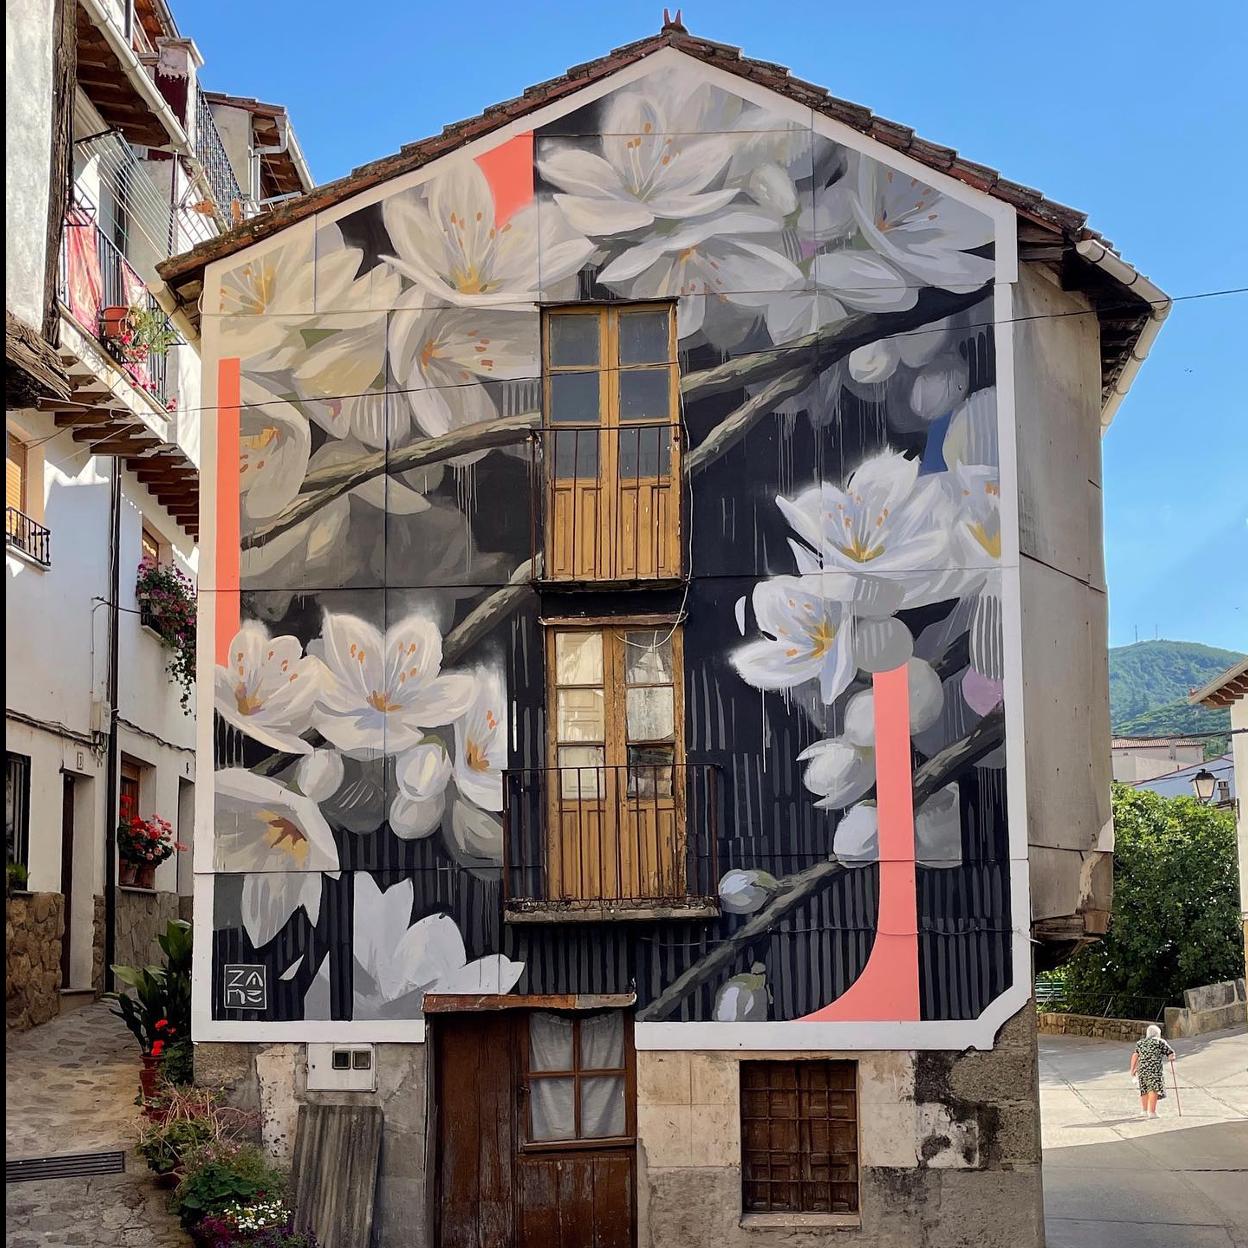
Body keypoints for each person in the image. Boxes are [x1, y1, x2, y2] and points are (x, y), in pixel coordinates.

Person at [1130, 1024, 1175, 1118]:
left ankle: (1144, 1110)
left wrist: (1133, 1069)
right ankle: (1152, 1112)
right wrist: (1171, 1058)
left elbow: (1135, 1055)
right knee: (1153, 1089)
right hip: (1154, 1070)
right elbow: (1170, 1053)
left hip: (1142, 1069)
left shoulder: (1140, 1043)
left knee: (1144, 1089)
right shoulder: (1160, 1042)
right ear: (1158, 1033)